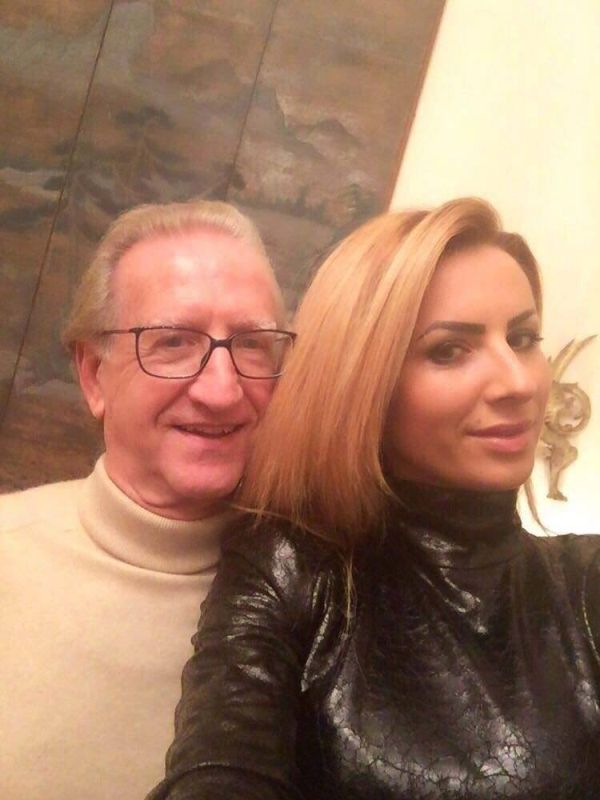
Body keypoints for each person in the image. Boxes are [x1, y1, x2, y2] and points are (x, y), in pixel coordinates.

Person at [148, 197, 600, 800]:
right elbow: (222, 764)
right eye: (449, 350)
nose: (519, 383)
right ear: (365, 384)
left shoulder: (584, 581)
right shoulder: (292, 570)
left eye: (522, 339)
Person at [0, 199, 294, 800]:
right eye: (174, 342)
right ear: (93, 375)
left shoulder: (324, 600)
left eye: (252, 344)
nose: (221, 390)